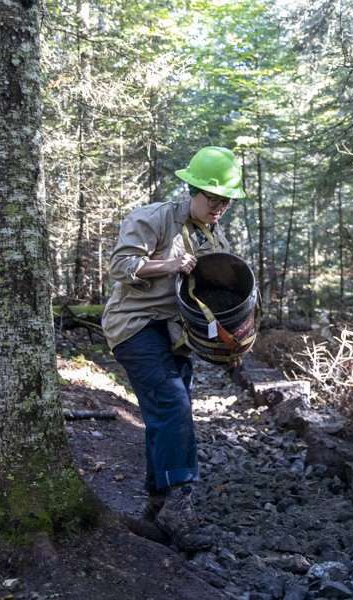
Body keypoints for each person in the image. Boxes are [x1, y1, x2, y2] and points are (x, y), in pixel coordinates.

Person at [102, 146, 247, 551]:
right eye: (214, 198)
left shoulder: (211, 235)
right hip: (135, 326)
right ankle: (179, 505)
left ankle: (156, 505)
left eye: (226, 201)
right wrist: (168, 264)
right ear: (192, 190)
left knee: (165, 414)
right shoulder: (153, 218)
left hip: (175, 333)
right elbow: (120, 266)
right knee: (173, 405)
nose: (220, 206)